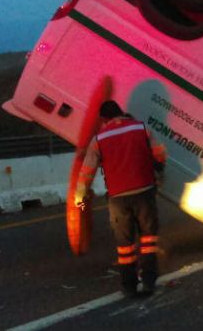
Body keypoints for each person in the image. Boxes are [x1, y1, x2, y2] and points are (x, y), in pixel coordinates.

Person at [74, 100, 167, 297]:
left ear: (104, 119)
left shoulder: (99, 139)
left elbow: (87, 172)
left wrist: (80, 200)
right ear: (121, 113)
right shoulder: (142, 128)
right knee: (148, 239)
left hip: (118, 198)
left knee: (125, 245)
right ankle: (149, 281)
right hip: (144, 191)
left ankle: (129, 286)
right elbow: (159, 154)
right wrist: (157, 174)